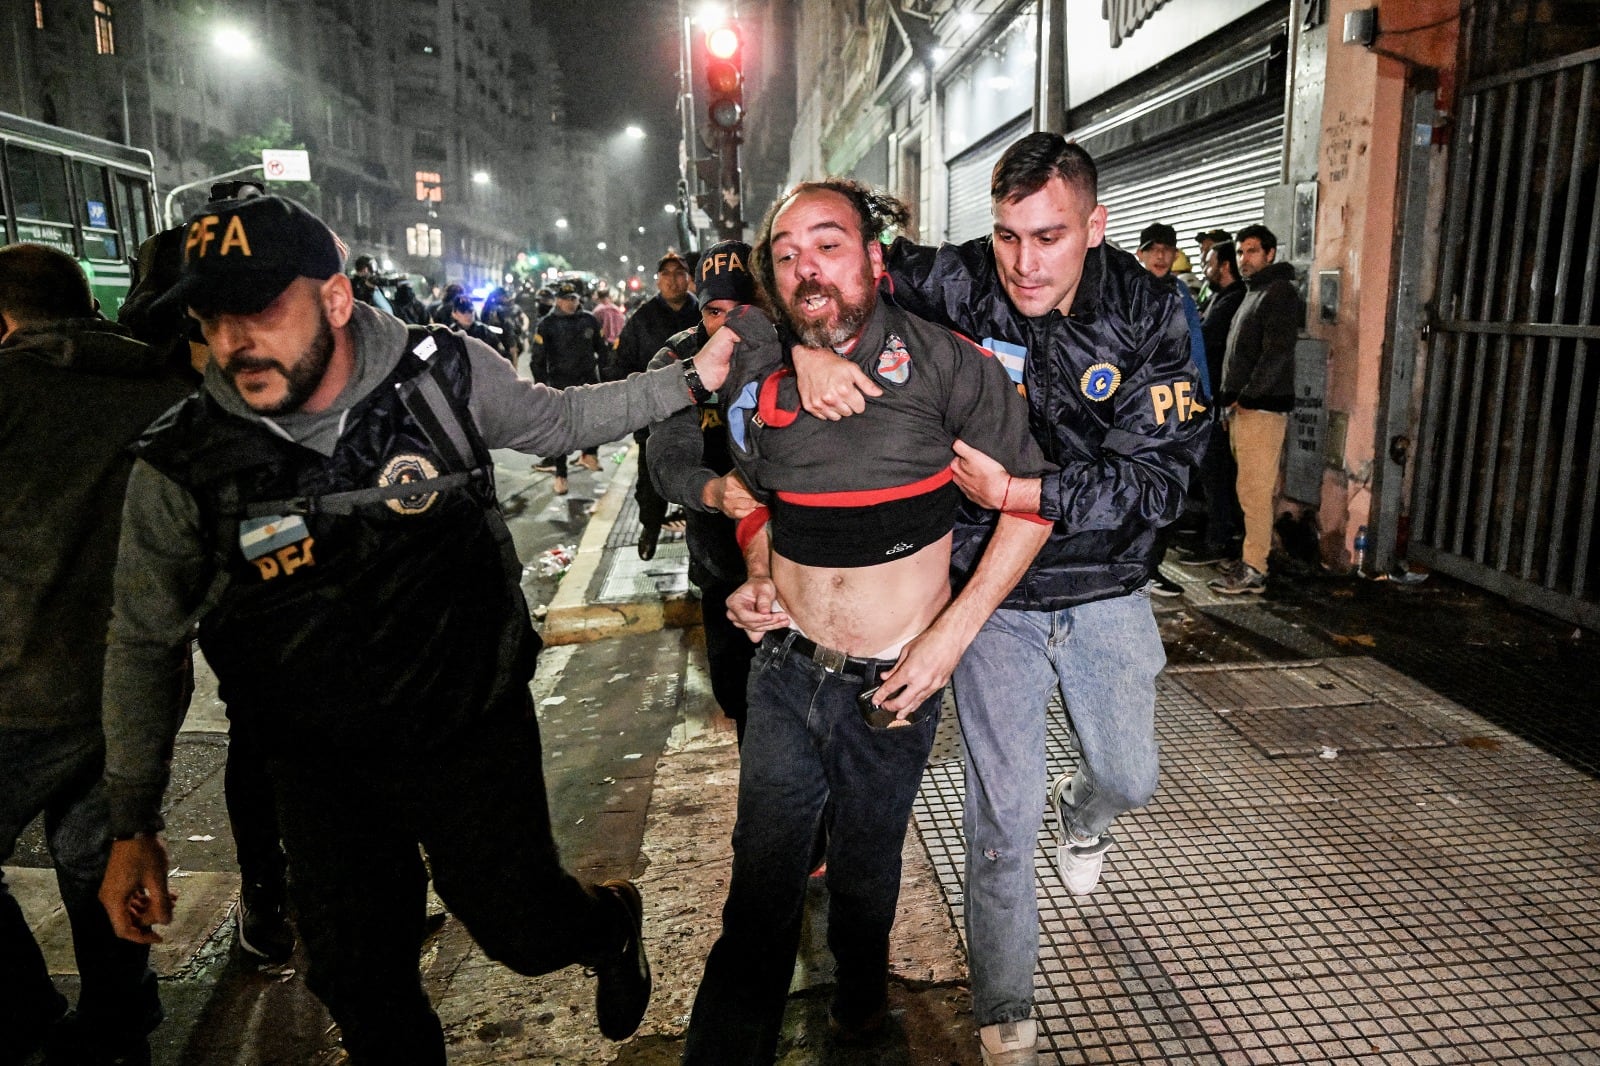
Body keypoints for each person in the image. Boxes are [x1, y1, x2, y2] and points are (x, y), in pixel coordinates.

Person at [94, 196, 735, 1065]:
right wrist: (133, 821)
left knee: (524, 929)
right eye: (213, 317)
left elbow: (564, 418)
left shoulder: (442, 379)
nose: (234, 340)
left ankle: (606, 926)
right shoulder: (182, 462)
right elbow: (142, 639)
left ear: (333, 297)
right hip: (318, 768)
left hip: (467, 726)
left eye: (258, 311)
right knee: (359, 982)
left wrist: (690, 379)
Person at [786, 134, 1209, 1065]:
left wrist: (1024, 495)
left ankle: (1085, 810)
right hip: (992, 596)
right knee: (997, 820)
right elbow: (814, 272)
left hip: (1107, 584)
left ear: (1095, 228)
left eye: (1050, 237)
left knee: (1130, 776)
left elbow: (1161, 484)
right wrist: (807, 348)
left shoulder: (1151, 311)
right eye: (1009, 235)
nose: (1025, 262)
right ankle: (1005, 1012)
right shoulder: (957, 280)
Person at [680, 180, 1052, 1065]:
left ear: (875, 260)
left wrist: (947, 641)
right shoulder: (760, 388)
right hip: (783, 671)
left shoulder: (954, 366)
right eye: (788, 255)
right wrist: (758, 576)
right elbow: (758, 503)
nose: (809, 268)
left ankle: (857, 1012)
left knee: (864, 872)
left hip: (891, 685)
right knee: (761, 885)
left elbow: (1029, 508)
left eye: (829, 245)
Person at [1, 243, 192, 1065]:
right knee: (100, 858)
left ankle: (27, 1018)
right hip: (132, 684)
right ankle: (120, 1021)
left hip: (18, 684)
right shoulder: (164, 387)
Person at [644, 241, 763, 744]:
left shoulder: (801, 345)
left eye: (745, 313)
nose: (730, 328)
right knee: (740, 696)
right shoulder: (676, 358)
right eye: (715, 313)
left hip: (804, 554)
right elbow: (668, 456)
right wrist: (710, 490)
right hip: (720, 549)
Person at [1209, 224, 1301, 595]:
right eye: (1242, 252)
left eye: (1252, 251)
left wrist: (1246, 397)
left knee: (1255, 491)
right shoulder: (1256, 292)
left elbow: (1275, 355)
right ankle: (1251, 555)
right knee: (1247, 489)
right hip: (1245, 411)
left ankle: (1255, 568)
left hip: (1260, 411)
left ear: (1270, 253)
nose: (1245, 259)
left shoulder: (1278, 293)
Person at [1135, 221, 1210, 598]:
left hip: (1175, 406)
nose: (1161, 256)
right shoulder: (1127, 290)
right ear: (1141, 254)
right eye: (1154, 249)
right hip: (1136, 408)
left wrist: (1203, 399)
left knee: (1169, 486)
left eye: (1167, 250)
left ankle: (1151, 567)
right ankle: (1134, 568)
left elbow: (1196, 346)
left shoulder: (1181, 293)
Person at [610, 253, 701, 558]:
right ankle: (650, 527)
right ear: (658, 279)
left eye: (680, 273)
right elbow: (621, 365)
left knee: (701, 474)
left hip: (701, 413)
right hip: (654, 414)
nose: (674, 280)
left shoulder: (702, 311)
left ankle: (699, 541)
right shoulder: (642, 319)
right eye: (667, 274)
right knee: (651, 477)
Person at [1181, 238, 1248, 566]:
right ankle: (1217, 533)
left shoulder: (1232, 300)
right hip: (1214, 399)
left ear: (1223, 266)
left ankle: (1220, 539)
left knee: (1216, 473)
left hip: (1218, 401)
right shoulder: (1221, 298)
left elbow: (1207, 344)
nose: (1203, 268)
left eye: (1208, 261)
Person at [529, 281, 606, 491]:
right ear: (558, 301)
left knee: (594, 422)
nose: (570, 303)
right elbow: (537, 359)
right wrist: (541, 386)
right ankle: (561, 474)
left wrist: (609, 376)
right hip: (560, 385)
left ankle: (590, 454)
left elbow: (603, 350)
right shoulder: (547, 324)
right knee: (561, 430)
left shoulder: (589, 320)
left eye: (573, 298)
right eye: (565, 299)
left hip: (588, 382)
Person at [591, 284, 626, 349]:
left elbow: (593, 326)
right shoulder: (617, 310)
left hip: (602, 344)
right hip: (617, 343)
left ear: (598, 298)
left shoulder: (597, 310)